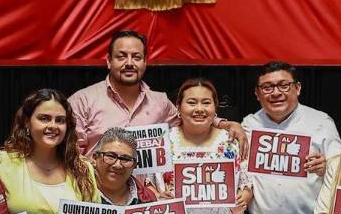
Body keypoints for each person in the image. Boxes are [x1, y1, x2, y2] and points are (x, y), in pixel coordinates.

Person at [69, 30, 246, 155]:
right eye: (121, 57)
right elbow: (72, 155)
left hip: (150, 194)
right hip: (98, 192)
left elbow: (188, 117)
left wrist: (225, 124)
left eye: (136, 57)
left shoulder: (160, 102)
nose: (129, 63)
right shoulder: (82, 101)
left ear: (145, 62)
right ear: (109, 61)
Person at [241, 62, 341, 214]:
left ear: (298, 88)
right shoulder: (249, 125)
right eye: (267, 87)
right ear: (257, 93)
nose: (276, 93)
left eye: (284, 85)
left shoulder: (321, 122)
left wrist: (327, 168)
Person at [164, 77, 253, 214]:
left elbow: (247, 184)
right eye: (192, 103)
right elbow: (149, 183)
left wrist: (242, 200)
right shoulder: (164, 141)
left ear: (215, 107)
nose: (199, 109)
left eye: (206, 103)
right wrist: (159, 197)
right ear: (178, 107)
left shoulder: (232, 141)